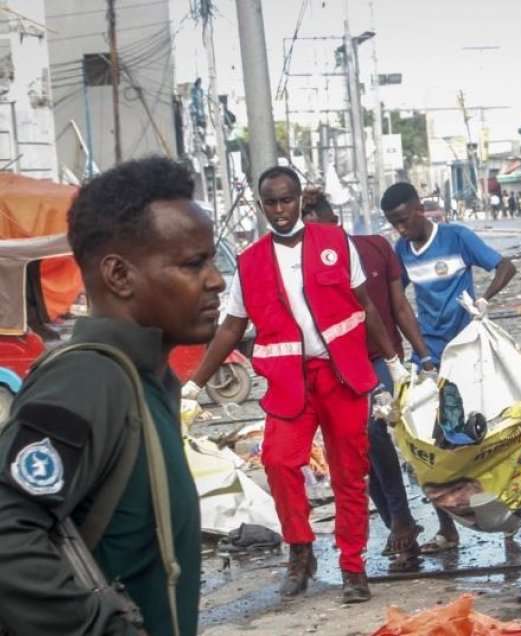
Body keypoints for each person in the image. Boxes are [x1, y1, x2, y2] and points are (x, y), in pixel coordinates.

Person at [0, 157, 217, 634]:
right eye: (192, 264)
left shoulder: (147, 382)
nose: (216, 279)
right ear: (119, 275)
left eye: (212, 259)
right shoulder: (89, 380)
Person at [185, 166, 404, 604]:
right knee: (279, 462)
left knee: (349, 474)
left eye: (287, 200)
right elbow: (231, 327)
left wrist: (395, 364)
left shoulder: (335, 243)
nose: (280, 210)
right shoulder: (250, 262)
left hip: (341, 375)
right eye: (271, 202)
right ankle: (300, 551)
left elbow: (367, 307)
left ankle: (352, 567)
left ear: (299, 200)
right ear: (261, 205)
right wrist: (193, 385)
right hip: (289, 383)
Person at [301, 189, 435, 569]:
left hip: (381, 360)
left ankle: (402, 518)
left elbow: (399, 306)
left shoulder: (376, 248)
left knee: (375, 430)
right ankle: (397, 521)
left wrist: (422, 354)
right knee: (354, 446)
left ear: (335, 222)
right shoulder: (305, 268)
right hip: (338, 365)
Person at [380, 182, 517, 555]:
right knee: (427, 443)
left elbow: (506, 265)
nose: (401, 229)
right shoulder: (402, 251)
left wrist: (484, 299)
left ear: (419, 209)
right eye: (394, 224)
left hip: (469, 350)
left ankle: (508, 519)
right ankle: (447, 530)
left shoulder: (457, 238)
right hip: (430, 351)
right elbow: (398, 301)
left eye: (405, 220)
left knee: (487, 434)